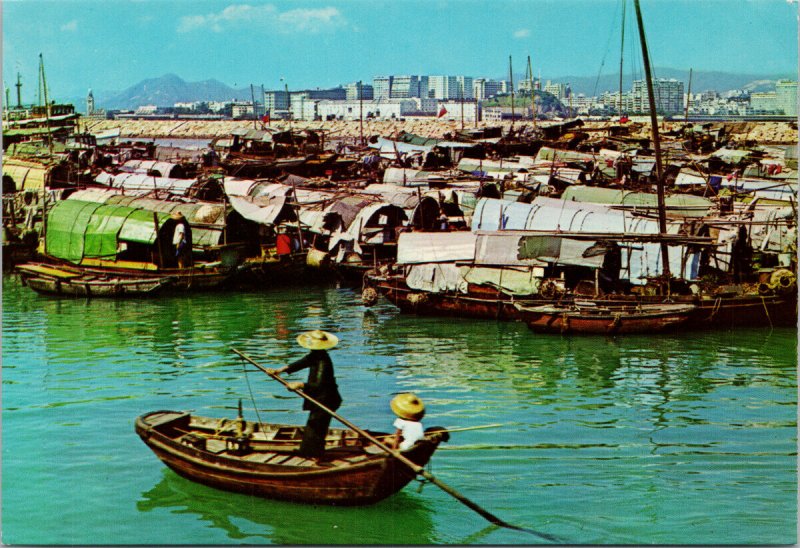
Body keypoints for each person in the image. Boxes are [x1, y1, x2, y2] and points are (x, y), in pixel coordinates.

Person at [267, 330, 342, 460]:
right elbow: (303, 362)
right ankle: (309, 454)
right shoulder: (316, 355)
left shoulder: (323, 362)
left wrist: (300, 384)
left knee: (316, 429)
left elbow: (320, 385)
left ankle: (315, 457)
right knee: (313, 428)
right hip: (320, 397)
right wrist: (279, 370)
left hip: (326, 399)